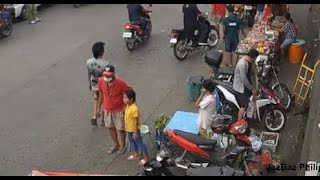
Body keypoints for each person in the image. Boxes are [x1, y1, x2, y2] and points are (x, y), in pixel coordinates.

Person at [97, 64, 133, 155]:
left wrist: (128, 107)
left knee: (121, 129)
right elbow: (101, 95)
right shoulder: (101, 81)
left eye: (108, 75)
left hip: (119, 111)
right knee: (110, 128)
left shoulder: (121, 83)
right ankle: (116, 145)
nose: (106, 77)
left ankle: (122, 145)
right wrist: (98, 108)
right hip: (107, 110)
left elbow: (130, 92)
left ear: (113, 74)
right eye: (105, 75)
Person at [124, 89, 150, 166]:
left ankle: (146, 158)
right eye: (124, 98)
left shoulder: (134, 108)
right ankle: (137, 154)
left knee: (140, 143)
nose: (124, 100)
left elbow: (135, 121)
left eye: (125, 98)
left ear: (131, 99)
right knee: (132, 142)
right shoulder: (128, 106)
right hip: (128, 129)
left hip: (134, 130)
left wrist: (135, 132)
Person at [87, 42, 110, 126]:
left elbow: (89, 74)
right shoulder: (106, 64)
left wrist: (90, 84)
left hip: (94, 84)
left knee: (96, 100)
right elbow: (107, 78)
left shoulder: (88, 62)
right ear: (102, 52)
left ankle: (94, 116)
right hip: (102, 85)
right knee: (103, 100)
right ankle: (103, 119)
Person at [233, 49, 259, 121]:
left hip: (246, 85)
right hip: (240, 87)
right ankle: (239, 122)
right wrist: (252, 89)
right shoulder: (242, 64)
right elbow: (244, 79)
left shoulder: (250, 62)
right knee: (244, 105)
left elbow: (253, 74)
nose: (254, 60)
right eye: (255, 59)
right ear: (252, 57)